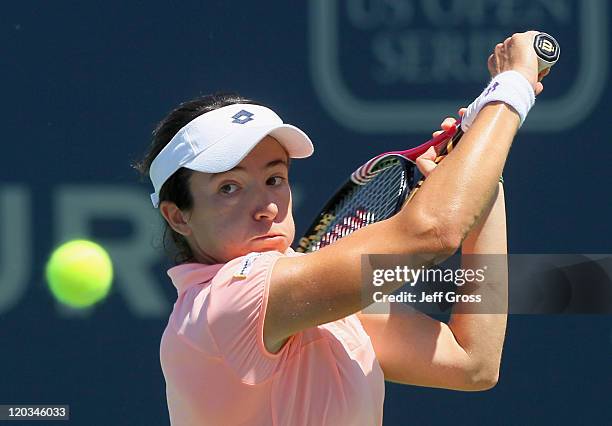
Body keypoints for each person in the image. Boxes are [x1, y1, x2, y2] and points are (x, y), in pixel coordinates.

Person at [135, 31, 547, 425]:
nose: (264, 206)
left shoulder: (306, 297)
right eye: (229, 188)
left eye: (274, 179)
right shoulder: (230, 300)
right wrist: (511, 89)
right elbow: (432, 232)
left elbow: (471, 362)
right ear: (178, 216)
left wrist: (482, 181)